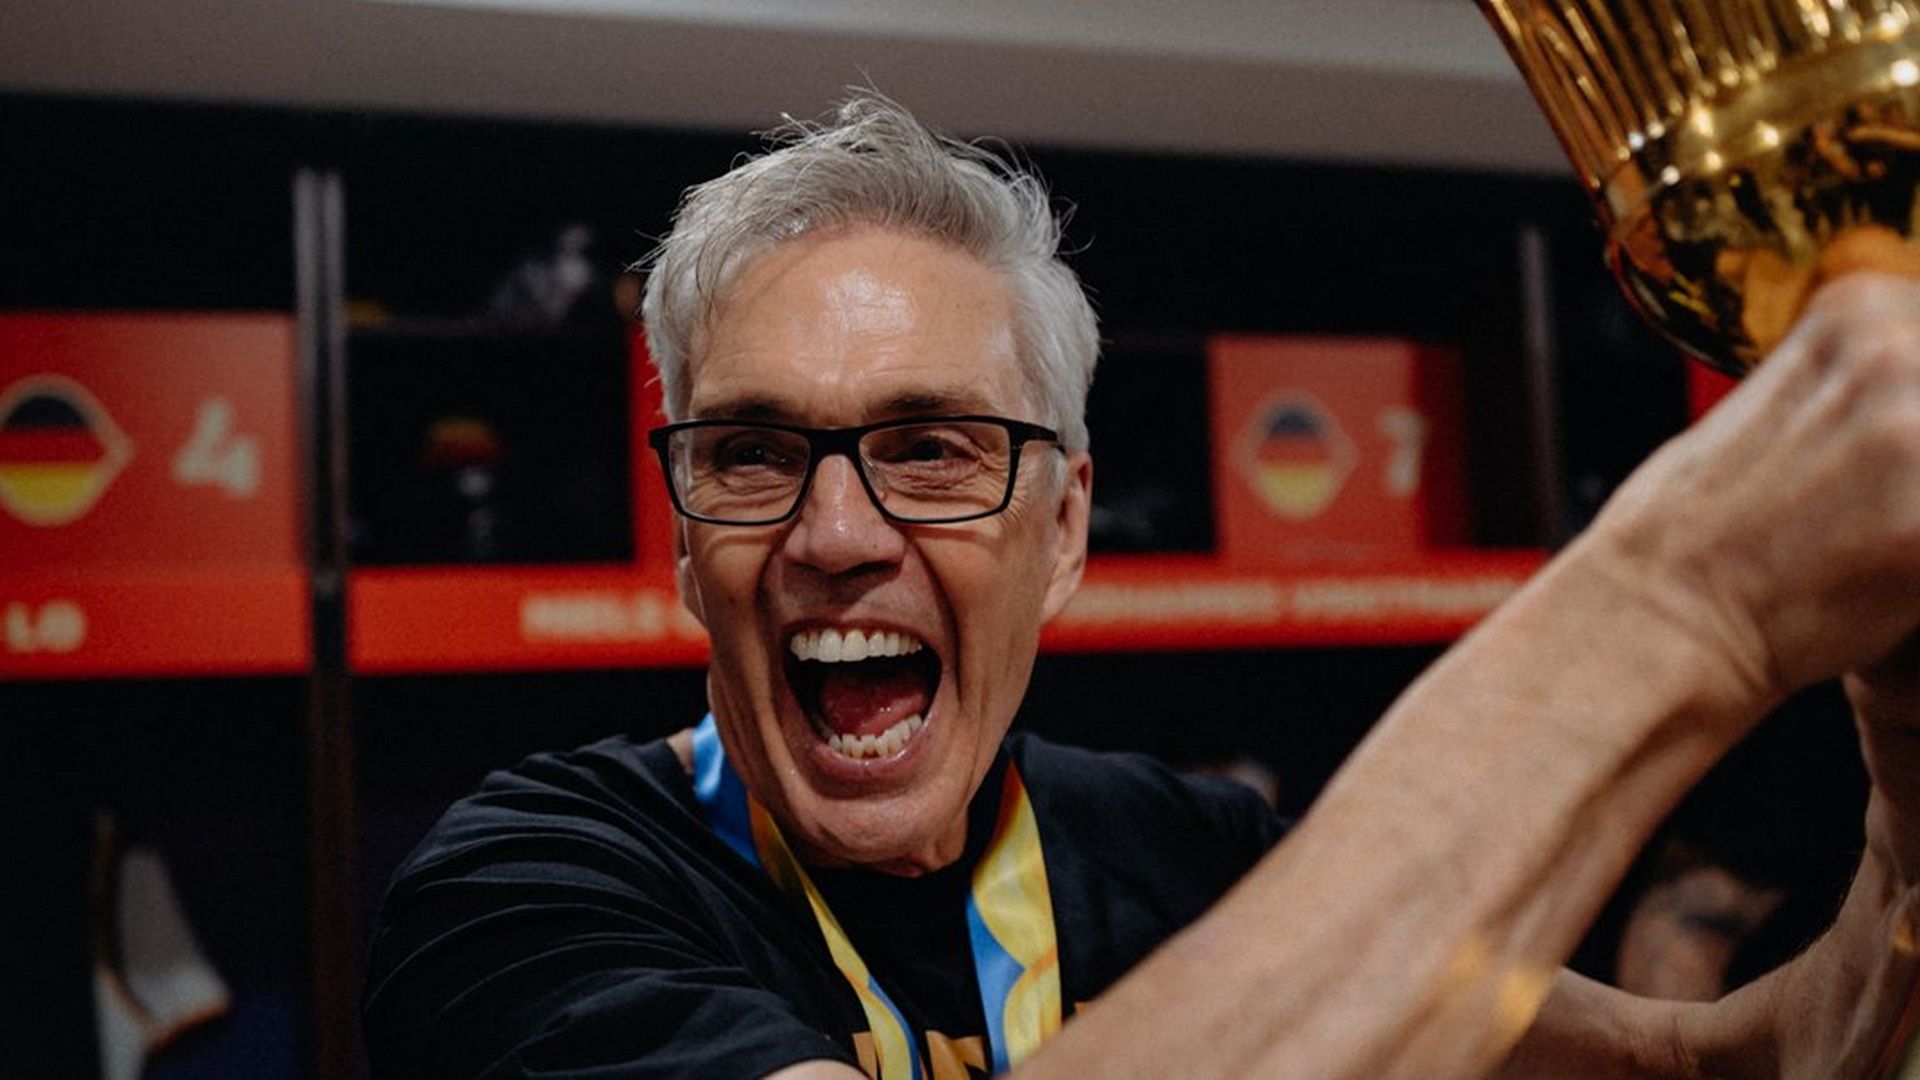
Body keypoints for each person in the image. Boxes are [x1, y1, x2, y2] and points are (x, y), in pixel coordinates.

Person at [364, 93, 1920, 1078]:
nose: (836, 532)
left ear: (1064, 531)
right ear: (685, 543)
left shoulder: (1181, 850)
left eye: (933, 448)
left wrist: (1907, 747)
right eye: (755, 454)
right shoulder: (521, 898)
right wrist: (1676, 603)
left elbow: (1728, 1064)